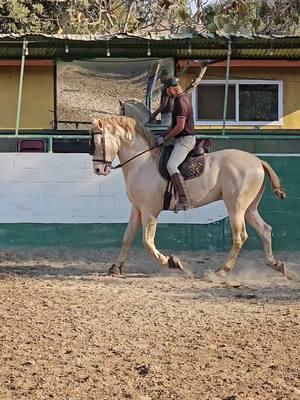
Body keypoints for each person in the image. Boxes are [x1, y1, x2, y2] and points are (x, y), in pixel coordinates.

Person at [156, 76, 196, 211]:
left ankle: (185, 200)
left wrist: (166, 137)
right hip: (178, 139)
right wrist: (162, 135)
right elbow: (173, 126)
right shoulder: (179, 100)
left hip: (185, 140)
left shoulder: (181, 102)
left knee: (172, 165)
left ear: (171, 88)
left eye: (166, 91)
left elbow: (179, 127)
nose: (167, 94)